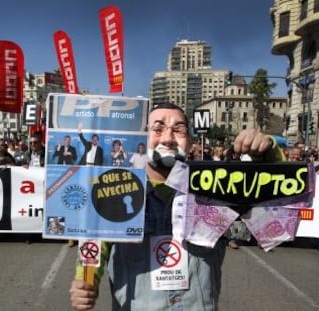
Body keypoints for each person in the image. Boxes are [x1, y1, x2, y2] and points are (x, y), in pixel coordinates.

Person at [70, 102, 284, 311]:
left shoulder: (217, 191)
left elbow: (275, 218)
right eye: (158, 128)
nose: (168, 137)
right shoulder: (116, 191)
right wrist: (84, 281)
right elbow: (93, 246)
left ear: (190, 142)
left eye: (178, 130)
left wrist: (267, 154)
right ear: (142, 138)